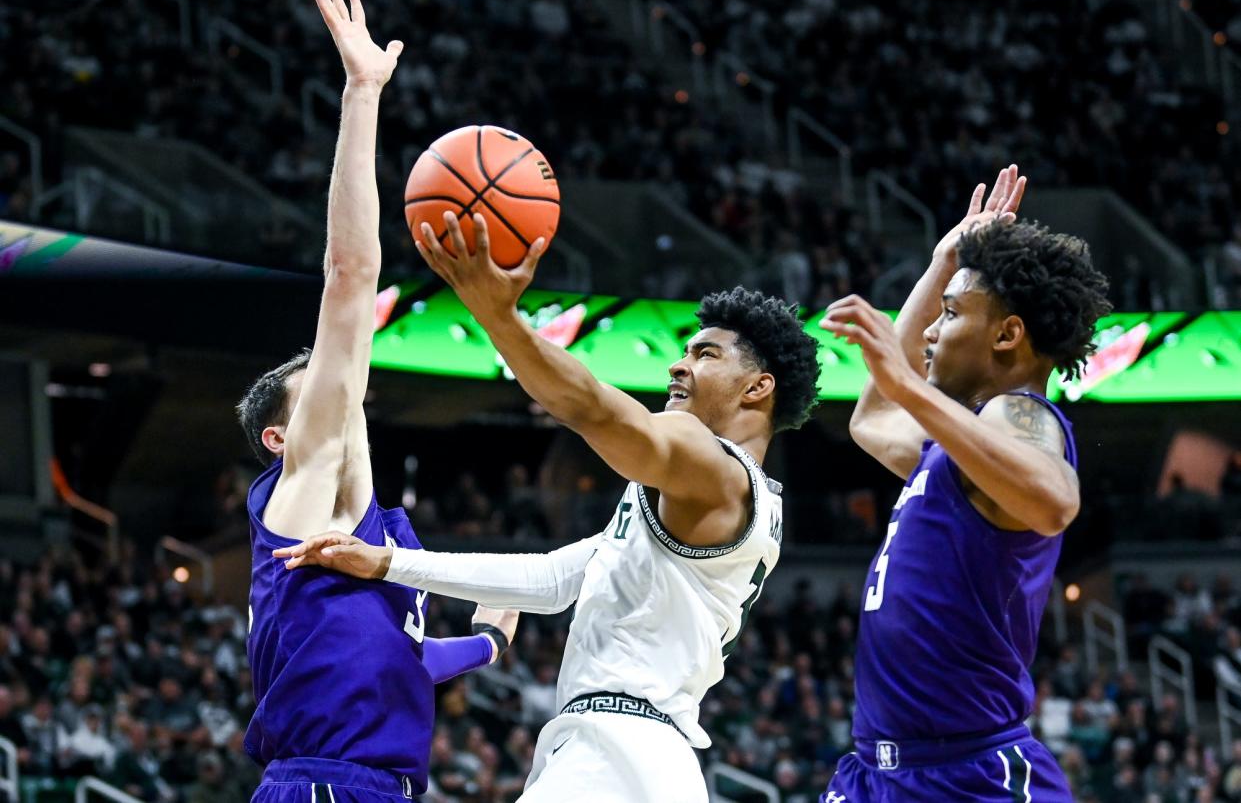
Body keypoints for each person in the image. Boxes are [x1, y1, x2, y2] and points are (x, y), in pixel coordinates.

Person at [276, 224, 822, 798]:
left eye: (704, 354)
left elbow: (595, 411)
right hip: (648, 759)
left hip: (616, 753)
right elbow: (552, 577)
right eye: (685, 350)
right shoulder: (722, 497)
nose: (677, 366)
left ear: (757, 388)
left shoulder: (712, 467)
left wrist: (499, 318)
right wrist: (387, 563)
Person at [234, 0, 517, 801]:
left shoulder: (387, 542)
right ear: (280, 441)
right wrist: (362, 94)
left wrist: (498, 629)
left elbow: (413, 658)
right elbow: (350, 277)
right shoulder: (305, 502)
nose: (336, 387)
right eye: (314, 386)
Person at [818, 165, 1112, 802]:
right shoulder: (951, 450)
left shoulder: (1018, 415)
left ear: (1007, 335)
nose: (928, 330)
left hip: (967, 774)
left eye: (949, 314)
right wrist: (942, 261)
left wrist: (905, 385)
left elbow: (1056, 500)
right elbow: (870, 420)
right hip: (876, 770)